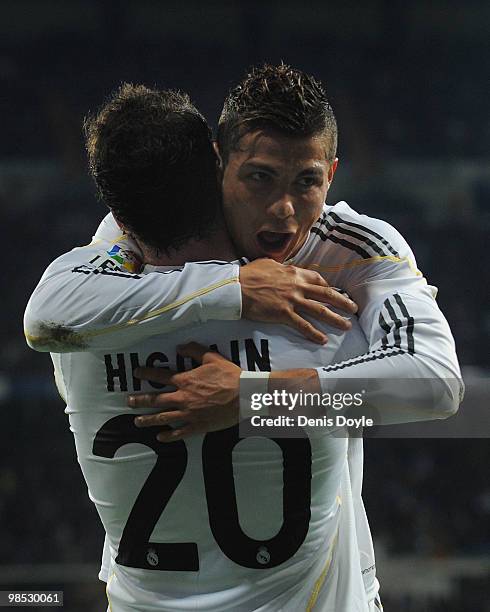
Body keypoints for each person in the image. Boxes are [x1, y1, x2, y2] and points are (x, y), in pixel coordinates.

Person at [24, 65, 463, 609]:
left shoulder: (349, 248)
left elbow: (438, 385)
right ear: (218, 165)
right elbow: (43, 318)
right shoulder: (136, 242)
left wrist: (255, 400)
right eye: (259, 177)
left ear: (331, 175)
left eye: (307, 182)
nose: (283, 208)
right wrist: (236, 284)